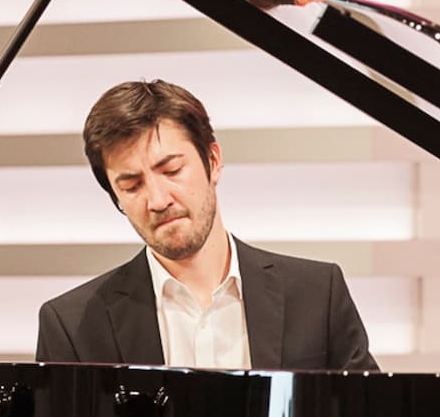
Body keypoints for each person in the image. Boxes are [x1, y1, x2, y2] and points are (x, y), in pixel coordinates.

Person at [35, 80, 377, 370]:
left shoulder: (317, 294)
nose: (158, 200)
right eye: (131, 185)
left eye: (171, 171)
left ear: (213, 162)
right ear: (116, 198)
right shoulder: (72, 326)